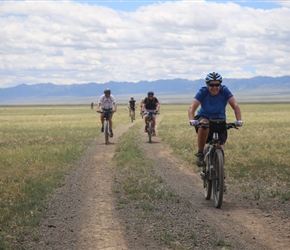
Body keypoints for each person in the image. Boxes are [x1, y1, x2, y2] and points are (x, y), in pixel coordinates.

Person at [188, 72, 243, 167]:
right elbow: (192, 107)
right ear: (207, 85)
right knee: (204, 124)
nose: (214, 87)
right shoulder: (203, 91)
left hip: (219, 119)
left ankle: (219, 172)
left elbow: (235, 105)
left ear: (220, 84)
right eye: (211, 85)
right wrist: (192, 120)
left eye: (217, 84)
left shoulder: (224, 90)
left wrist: (239, 120)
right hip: (204, 116)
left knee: (219, 146)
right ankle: (200, 153)